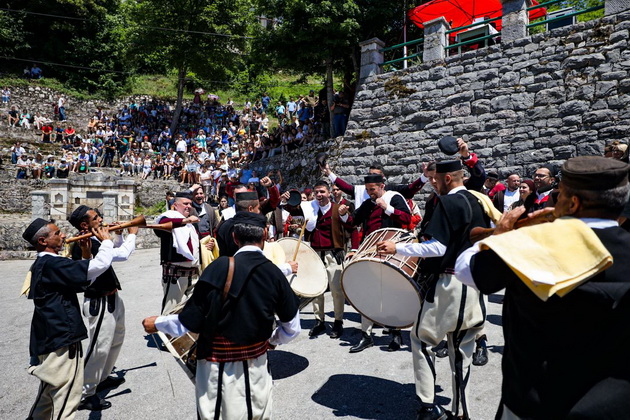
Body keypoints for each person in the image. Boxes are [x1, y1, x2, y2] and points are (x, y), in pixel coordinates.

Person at [454, 156, 630, 419]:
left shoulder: (528, 244)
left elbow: (466, 269)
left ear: (573, 202)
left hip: (533, 404)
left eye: (560, 196)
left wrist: (502, 234)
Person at [142, 212, 300, 420]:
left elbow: (189, 322)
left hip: (219, 368)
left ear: (234, 237)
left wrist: (158, 323)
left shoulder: (219, 267)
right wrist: (271, 341)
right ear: (264, 234)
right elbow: (292, 328)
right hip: (258, 365)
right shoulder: (276, 273)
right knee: (258, 413)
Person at [377, 159, 490, 420]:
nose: (433, 183)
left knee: (421, 338)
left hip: (450, 285)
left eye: (435, 179)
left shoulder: (448, 202)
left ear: (448, 178)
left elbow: (438, 248)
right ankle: (462, 412)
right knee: (462, 350)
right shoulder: (478, 201)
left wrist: (398, 248)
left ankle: (429, 407)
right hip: (473, 286)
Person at [22, 218, 114, 420]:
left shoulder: (45, 264)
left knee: (48, 396)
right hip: (62, 338)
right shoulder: (52, 263)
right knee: (66, 399)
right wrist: (107, 241)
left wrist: (86, 253)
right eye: (57, 233)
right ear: (43, 241)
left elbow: (76, 276)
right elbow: (96, 268)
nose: (63, 235)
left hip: (50, 338)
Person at [69, 206, 138, 411]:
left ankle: (102, 378)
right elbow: (119, 256)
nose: (101, 220)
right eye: (96, 218)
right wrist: (131, 235)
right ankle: (84, 393)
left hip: (112, 296)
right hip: (98, 301)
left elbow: (112, 252)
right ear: (84, 224)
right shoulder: (83, 243)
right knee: (98, 348)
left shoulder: (97, 239)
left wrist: (117, 236)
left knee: (115, 339)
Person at [345, 174, 411, 353]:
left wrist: (388, 208)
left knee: (392, 292)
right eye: (367, 190)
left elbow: (407, 219)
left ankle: (395, 334)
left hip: (390, 251)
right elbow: (354, 222)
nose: (369, 193)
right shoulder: (368, 203)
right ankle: (366, 336)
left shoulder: (395, 198)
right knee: (367, 293)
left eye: (372, 190)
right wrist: (344, 215)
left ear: (382, 186)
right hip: (369, 252)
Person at [301, 181, 353, 339]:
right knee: (317, 289)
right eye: (316, 192)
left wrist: (342, 248)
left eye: (322, 192)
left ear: (329, 193)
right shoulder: (311, 209)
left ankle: (338, 321)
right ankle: (319, 320)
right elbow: (292, 208)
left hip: (333, 253)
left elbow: (351, 226)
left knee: (337, 289)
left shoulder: (338, 209)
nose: (319, 195)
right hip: (315, 253)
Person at [154, 192, 201, 314]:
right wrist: (186, 220)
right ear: (175, 205)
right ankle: (164, 333)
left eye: (190, 204)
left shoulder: (190, 224)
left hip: (193, 274)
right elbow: (162, 225)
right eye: (185, 203)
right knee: (171, 310)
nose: (189, 206)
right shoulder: (167, 217)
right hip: (175, 275)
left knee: (194, 308)